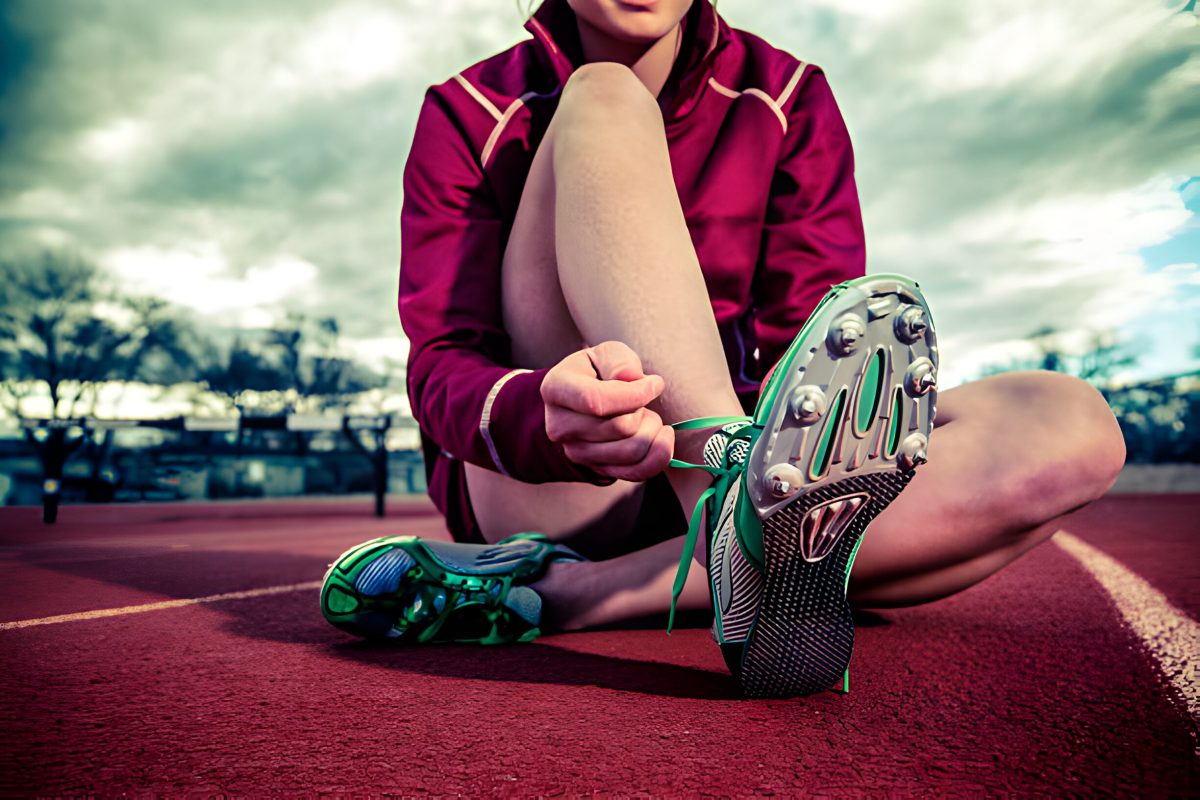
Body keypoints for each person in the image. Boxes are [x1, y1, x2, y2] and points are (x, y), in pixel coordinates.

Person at [320, 0, 1125, 697]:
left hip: (745, 467)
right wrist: (545, 411)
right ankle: (740, 520)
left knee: (1072, 424)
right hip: (568, 479)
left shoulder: (788, 97)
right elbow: (442, 361)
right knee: (603, 95)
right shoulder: (470, 108)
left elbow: (809, 351)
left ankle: (582, 593)